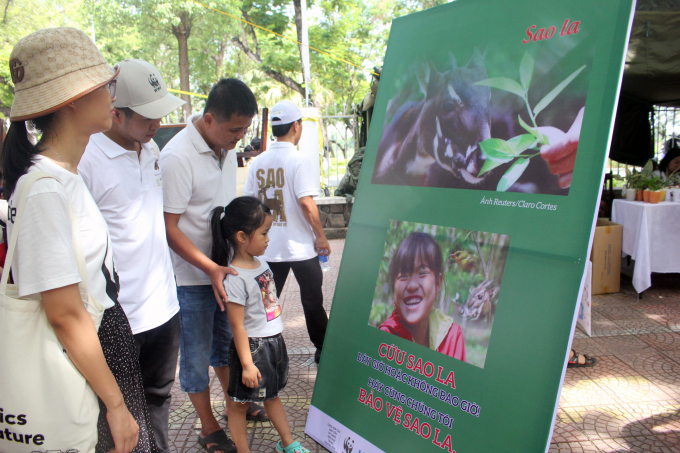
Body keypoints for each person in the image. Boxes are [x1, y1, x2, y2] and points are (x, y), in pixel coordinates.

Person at [1, 27, 158, 453]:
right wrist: (116, 404)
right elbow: (65, 313)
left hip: (97, 352)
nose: (112, 95)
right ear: (71, 98)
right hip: (83, 362)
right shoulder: (47, 188)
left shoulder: (61, 178)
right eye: (105, 85)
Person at [78, 58, 185, 453]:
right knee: (120, 421)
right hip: (120, 318)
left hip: (163, 308)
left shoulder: (150, 147)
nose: (157, 124)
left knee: (159, 402)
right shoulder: (85, 160)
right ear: (115, 113)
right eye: (147, 117)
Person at [160, 78, 264, 453]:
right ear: (208, 119)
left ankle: (235, 401)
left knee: (226, 348)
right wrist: (209, 268)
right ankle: (208, 427)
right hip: (190, 278)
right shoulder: (177, 157)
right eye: (235, 129)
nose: (240, 137)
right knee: (196, 356)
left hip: (222, 272)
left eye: (245, 129)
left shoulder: (224, 148)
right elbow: (169, 229)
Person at [210, 196, 310, 453]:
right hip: (253, 348)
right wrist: (246, 364)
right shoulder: (235, 277)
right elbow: (238, 326)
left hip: (273, 342)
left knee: (272, 396)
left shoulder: (261, 263)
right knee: (239, 404)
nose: (268, 239)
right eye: (264, 233)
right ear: (242, 237)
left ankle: (288, 443)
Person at [244, 100, 330, 364]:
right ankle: (323, 349)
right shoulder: (299, 160)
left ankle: (262, 352)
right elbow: (306, 203)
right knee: (313, 301)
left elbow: (249, 203)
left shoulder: (258, 162)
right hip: (301, 247)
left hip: (268, 247)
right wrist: (320, 235)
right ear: (296, 126)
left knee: (267, 304)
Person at [379, 232, 466, 360]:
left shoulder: (452, 337)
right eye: (403, 275)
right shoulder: (385, 336)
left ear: (437, 284)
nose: (412, 285)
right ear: (393, 290)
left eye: (422, 273)